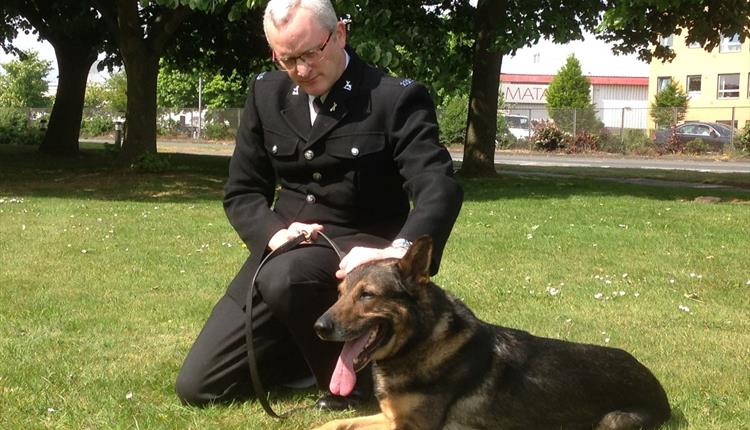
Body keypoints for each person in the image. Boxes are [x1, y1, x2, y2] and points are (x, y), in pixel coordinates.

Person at [175, 0, 463, 410]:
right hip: (282, 251)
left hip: (360, 254)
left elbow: (438, 185)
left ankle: (354, 385)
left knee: (287, 278)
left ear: (340, 33)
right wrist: (273, 233)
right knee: (199, 387)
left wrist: (396, 252)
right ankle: (305, 352)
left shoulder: (393, 98)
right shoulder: (264, 92)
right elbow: (242, 189)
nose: (302, 70)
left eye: (311, 53)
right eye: (287, 59)